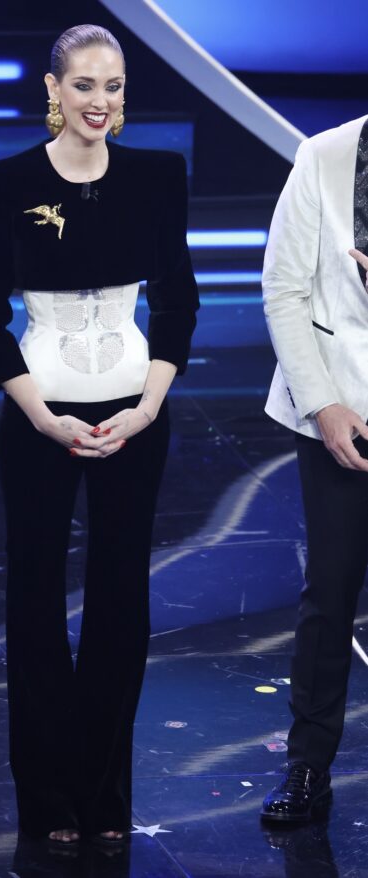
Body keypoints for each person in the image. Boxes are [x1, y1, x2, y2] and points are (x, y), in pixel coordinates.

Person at [0, 24, 198, 846]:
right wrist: (41, 417)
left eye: (114, 85)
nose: (100, 101)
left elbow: (177, 301)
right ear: (53, 89)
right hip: (38, 419)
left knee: (120, 603)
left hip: (136, 417)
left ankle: (103, 799)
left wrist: (147, 408)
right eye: (85, 85)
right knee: (34, 604)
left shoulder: (156, 176)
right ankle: (48, 803)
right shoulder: (2, 183)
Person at [260, 114, 368, 822]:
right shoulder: (325, 154)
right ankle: (307, 768)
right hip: (339, 404)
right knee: (329, 593)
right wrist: (322, 405)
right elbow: (283, 289)